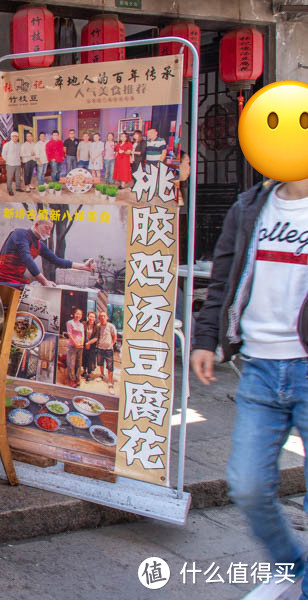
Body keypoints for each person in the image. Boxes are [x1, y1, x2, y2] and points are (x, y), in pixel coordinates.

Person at [192, 174, 308, 600]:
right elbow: (223, 279)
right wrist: (206, 339)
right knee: (247, 484)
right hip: (259, 366)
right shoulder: (249, 205)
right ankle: (291, 565)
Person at [0, 219, 93, 287]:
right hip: (2, 278)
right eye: (47, 228)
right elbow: (27, 259)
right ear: (36, 225)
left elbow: (56, 260)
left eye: (50, 229)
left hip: (17, 279)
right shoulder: (20, 234)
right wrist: (44, 281)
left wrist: (83, 266)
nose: (49, 233)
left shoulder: (39, 245)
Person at [95, 311, 117, 393]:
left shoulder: (111, 326)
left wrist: (111, 345)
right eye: (100, 316)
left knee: (110, 366)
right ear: (99, 318)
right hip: (100, 348)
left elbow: (114, 336)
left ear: (107, 317)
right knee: (100, 363)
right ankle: (101, 375)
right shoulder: (98, 326)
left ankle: (110, 382)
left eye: (104, 316)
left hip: (109, 349)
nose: (102, 317)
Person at [1, 131, 25, 195]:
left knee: (18, 177)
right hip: (10, 164)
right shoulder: (7, 144)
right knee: (10, 178)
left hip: (18, 164)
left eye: (16, 136)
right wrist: (8, 160)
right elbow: (3, 154)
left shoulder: (19, 145)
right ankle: (9, 190)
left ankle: (18, 187)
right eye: (13, 136)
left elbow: (21, 153)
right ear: (11, 137)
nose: (15, 137)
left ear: (17, 137)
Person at [65, 308, 85, 387]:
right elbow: (69, 334)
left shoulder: (81, 325)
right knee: (71, 364)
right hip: (72, 346)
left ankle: (77, 379)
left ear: (81, 316)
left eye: (80, 314)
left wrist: (81, 344)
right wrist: (76, 344)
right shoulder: (70, 322)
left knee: (78, 364)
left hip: (80, 347)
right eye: (77, 313)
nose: (78, 315)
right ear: (74, 314)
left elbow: (82, 335)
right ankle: (72, 380)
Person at [82, 311, 98, 381]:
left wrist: (88, 343)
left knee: (90, 360)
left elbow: (96, 337)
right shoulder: (84, 324)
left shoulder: (96, 326)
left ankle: (88, 374)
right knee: (84, 358)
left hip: (92, 346)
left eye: (93, 317)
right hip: (83, 344)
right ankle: (84, 371)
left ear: (95, 318)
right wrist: (85, 343)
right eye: (90, 316)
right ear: (88, 317)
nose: (91, 318)